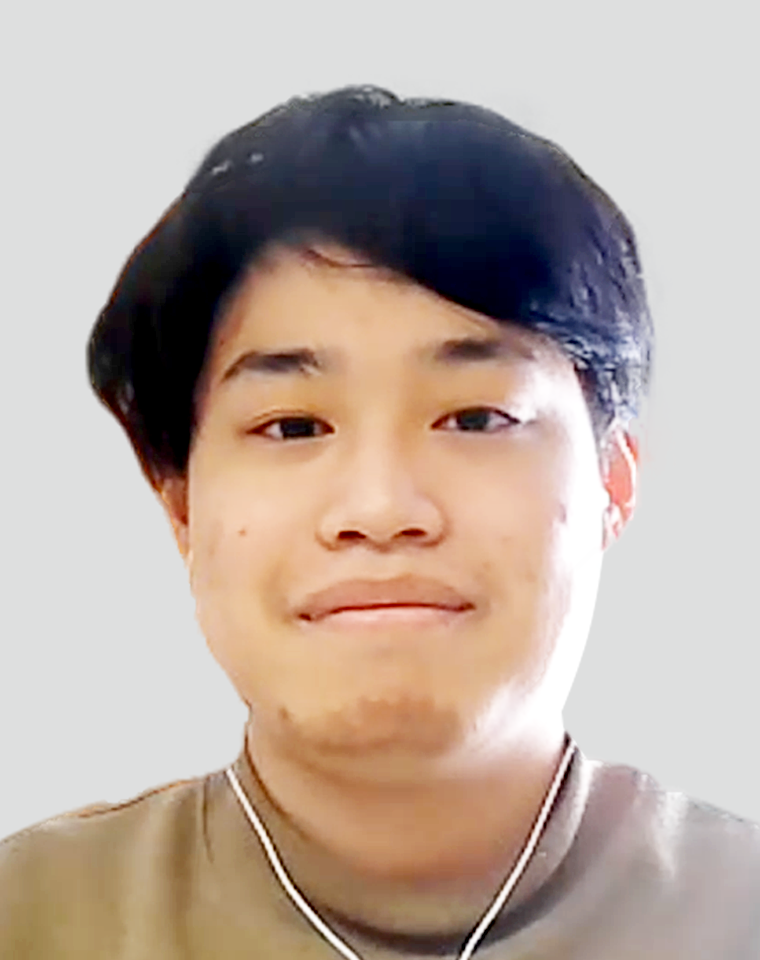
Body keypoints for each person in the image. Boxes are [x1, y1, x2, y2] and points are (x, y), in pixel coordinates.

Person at [1, 84, 758, 959]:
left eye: (475, 418)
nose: (381, 510)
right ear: (182, 507)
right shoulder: (35, 918)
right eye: (293, 427)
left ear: (613, 485)